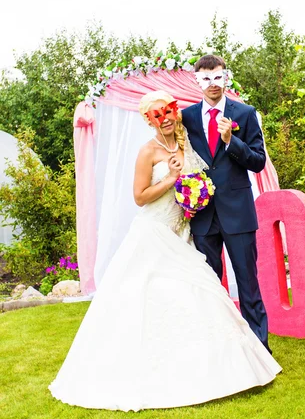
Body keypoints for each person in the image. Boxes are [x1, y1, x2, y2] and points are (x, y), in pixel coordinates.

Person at [48, 90, 281, 412]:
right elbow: (140, 197)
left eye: (169, 110)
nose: (165, 117)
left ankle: (208, 364)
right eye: (157, 114)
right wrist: (172, 178)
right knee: (152, 296)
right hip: (155, 232)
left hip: (184, 232)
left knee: (198, 294)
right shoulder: (147, 152)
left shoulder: (188, 145)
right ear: (148, 120)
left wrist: (197, 194)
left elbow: (208, 173)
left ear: (176, 112)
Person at [182, 55, 271, 352]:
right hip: (203, 214)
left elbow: (258, 162)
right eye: (206, 79)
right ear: (197, 81)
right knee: (209, 286)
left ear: (225, 78)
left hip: (238, 213)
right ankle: (219, 348)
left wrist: (232, 141)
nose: (212, 84)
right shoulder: (187, 117)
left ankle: (260, 350)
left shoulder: (244, 114)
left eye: (217, 77)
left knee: (248, 284)